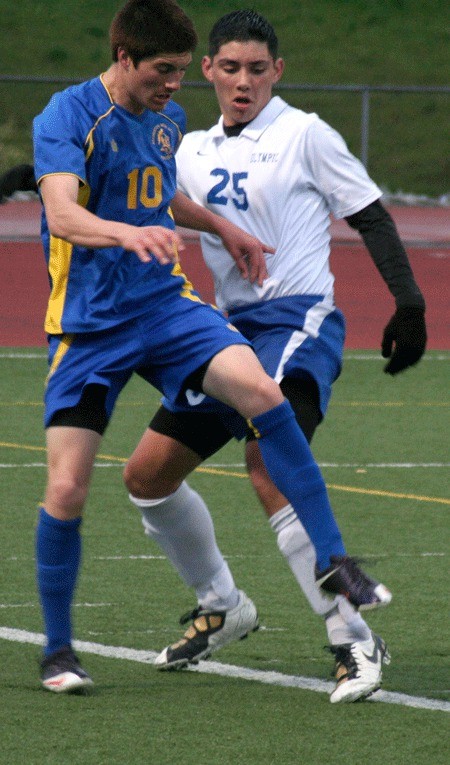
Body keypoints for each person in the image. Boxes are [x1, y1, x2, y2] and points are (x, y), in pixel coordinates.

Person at [32, 0, 384, 695]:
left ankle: (335, 566)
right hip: (89, 327)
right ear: (125, 57)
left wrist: (222, 227)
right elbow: (63, 213)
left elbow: (163, 196)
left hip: (165, 307)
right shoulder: (69, 116)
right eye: (163, 71)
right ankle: (59, 650)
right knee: (69, 487)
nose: (175, 85)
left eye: (180, 72)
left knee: (261, 393)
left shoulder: (164, 120)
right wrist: (128, 233)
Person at [123, 9, 426, 703]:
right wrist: (40, 177)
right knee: (147, 477)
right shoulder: (187, 148)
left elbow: (369, 214)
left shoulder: (304, 133)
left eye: (257, 69)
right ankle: (223, 604)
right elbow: (131, 189)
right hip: (223, 331)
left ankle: (353, 635)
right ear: (207, 70)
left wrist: (409, 302)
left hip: (298, 320)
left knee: (267, 463)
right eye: (230, 68)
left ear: (277, 71)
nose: (243, 82)